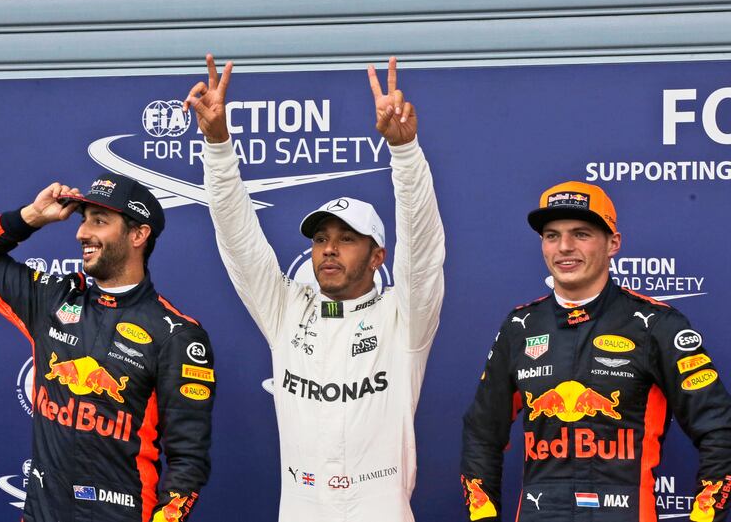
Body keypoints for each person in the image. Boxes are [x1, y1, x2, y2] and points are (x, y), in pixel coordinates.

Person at [183, 54, 444, 521]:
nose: (329, 249)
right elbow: (239, 239)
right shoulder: (286, 309)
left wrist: (404, 154)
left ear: (378, 256)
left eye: (347, 240)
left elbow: (422, 250)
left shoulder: (403, 319)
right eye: (321, 238)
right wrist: (218, 145)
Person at [460, 181, 731, 521]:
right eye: (552, 235)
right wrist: (482, 515)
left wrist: (706, 514)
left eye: (582, 234)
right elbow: (482, 431)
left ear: (613, 243)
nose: (565, 247)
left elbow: (719, 430)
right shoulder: (520, 327)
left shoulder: (656, 324)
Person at [0, 174, 215, 521]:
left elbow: (188, 461)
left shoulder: (177, 335)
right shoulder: (52, 299)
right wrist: (33, 215)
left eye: (100, 221)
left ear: (138, 235)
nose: (81, 233)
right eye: (84, 219)